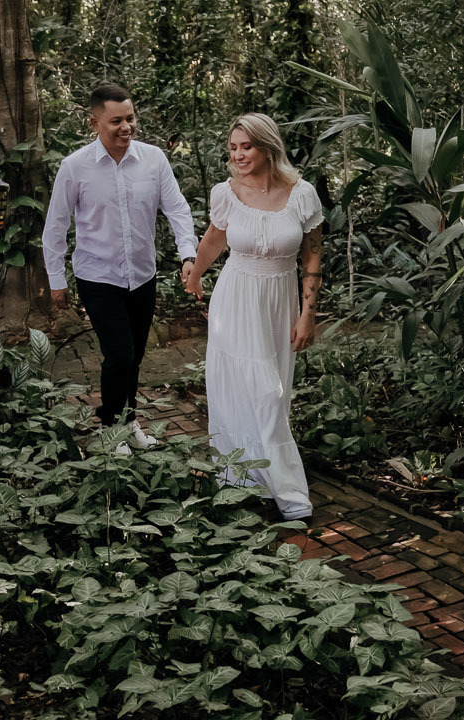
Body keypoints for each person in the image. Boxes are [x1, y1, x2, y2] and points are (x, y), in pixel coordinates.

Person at [43, 84, 198, 453]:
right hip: (98, 276)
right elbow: (55, 225)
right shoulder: (75, 167)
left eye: (130, 118)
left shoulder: (154, 159)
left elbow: (177, 209)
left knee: (135, 356)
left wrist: (188, 254)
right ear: (94, 122)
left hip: (143, 276)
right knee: (120, 355)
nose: (126, 127)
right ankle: (111, 429)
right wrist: (56, 279)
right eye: (116, 121)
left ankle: (129, 424)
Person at [183, 113, 323, 521]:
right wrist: (195, 274)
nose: (238, 155)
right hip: (236, 296)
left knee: (274, 393)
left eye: (246, 146)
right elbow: (214, 238)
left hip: (280, 302)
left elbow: (313, 255)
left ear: (267, 147)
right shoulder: (226, 193)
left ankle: (252, 478)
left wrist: (308, 315)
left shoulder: (302, 195)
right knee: (258, 390)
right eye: (233, 148)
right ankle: (285, 490)